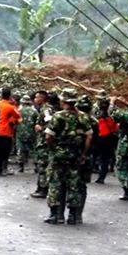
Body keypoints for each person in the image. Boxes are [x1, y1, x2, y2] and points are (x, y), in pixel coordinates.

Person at [43, 88, 93, 225]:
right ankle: (72, 215)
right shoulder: (83, 116)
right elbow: (89, 136)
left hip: (59, 155)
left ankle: (54, 215)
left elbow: (48, 136)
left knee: (55, 183)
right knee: (74, 184)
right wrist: (83, 153)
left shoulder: (58, 116)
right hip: (75, 155)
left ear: (63, 100)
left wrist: (53, 149)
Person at [76, 94, 99, 215]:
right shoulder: (94, 121)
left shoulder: (73, 118)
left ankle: (60, 214)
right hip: (87, 156)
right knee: (82, 186)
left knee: (65, 184)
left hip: (72, 156)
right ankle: (77, 214)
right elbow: (95, 140)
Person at [30, 90, 56, 198]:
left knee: (43, 165)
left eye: (37, 97)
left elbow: (51, 124)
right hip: (41, 141)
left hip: (44, 142)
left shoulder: (47, 110)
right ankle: (40, 187)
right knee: (41, 165)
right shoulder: (43, 109)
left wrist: (41, 128)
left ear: (42, 98)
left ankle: (43, 189)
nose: (35, 100)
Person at [0, 87, 21, 176]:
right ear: (10, 96)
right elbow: (18, 116)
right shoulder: (10, 107)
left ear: (1, 95)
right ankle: (3, 169)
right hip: (6, 133)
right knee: (5, 152)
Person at [94, 98, 118, 184]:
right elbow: (116, 129)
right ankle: (102, 176)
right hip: (109, 139)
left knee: (96, 157)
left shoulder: (96, 119)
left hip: (99, 140)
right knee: (105, 159)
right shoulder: (112, 118)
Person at [15, 94, 38, 173]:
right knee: (34, 149)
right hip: (31, 132)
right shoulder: (34, 111)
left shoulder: (18, 110)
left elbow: (15, 121)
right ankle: (36, 165)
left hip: (20, 132)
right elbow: (37, 121)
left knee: (20, 149)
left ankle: (21, 166)